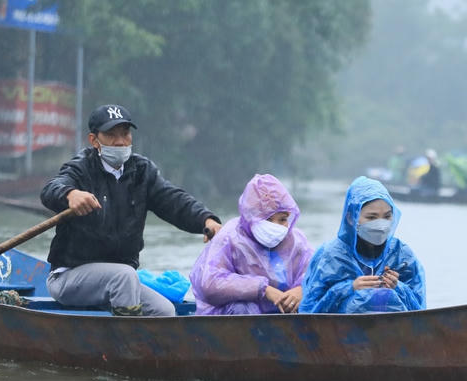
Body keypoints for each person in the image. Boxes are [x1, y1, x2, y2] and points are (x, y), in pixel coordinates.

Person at [40, 103, 222, 316]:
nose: (120, 141)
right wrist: (70, 194)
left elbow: (175, 201)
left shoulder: (142, 172)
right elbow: (50, 189)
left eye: (125, 133)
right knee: (125, 276)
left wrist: (206, 220)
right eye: (110, 135)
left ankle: (150, 348)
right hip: (70, 277)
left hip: (118, 279)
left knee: (164, 311)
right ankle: (127, 346)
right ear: (94, 140)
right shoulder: (81, 169)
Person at [298, 176, 426, 313]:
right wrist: (350, 288)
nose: (381, 225)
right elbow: (310, 311)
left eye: (387, 216)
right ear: (351, 217)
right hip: (342, 332)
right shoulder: (330, 256)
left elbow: (420, 311)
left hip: (395, 330)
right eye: (371, 217)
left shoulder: (401, 254)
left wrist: (397, 287)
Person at [190, 174, 312, 315]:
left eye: (283, 219)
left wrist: (301, 289)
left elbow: (315, 273)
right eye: (268, 219)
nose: (276, 226)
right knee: (242, 308)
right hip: (237, 318)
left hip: (286, 316)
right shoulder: (230, 237)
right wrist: (263, 289)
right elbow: (210, 284)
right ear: (251, 215)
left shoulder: (296, 241)